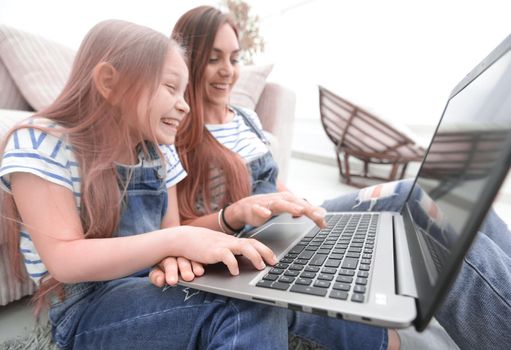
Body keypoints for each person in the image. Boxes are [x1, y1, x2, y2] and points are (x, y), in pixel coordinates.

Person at [148, 5, 511, 350]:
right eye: (214, 59)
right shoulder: (177, 130)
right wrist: (235, 213)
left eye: (234, 57)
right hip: (251, 241)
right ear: (190, 62)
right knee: (438, 236)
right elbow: (180, 230)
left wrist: (301, 206)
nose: (227, 69)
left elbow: (273, 185)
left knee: (433, 201)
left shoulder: (246, 118)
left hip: (292, 221)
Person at [0, 19, 328, 349]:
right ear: (109, 82)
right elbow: (64, 259)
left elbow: (169, 233)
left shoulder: (159, 152)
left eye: (184, 92)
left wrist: (175, 253)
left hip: (154, 282)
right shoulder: (41, 141)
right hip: (86, 308)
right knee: (243, 306)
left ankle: (378, 335)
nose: (185, 104)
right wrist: (176, 241)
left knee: (260, 285)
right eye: (171, 88)